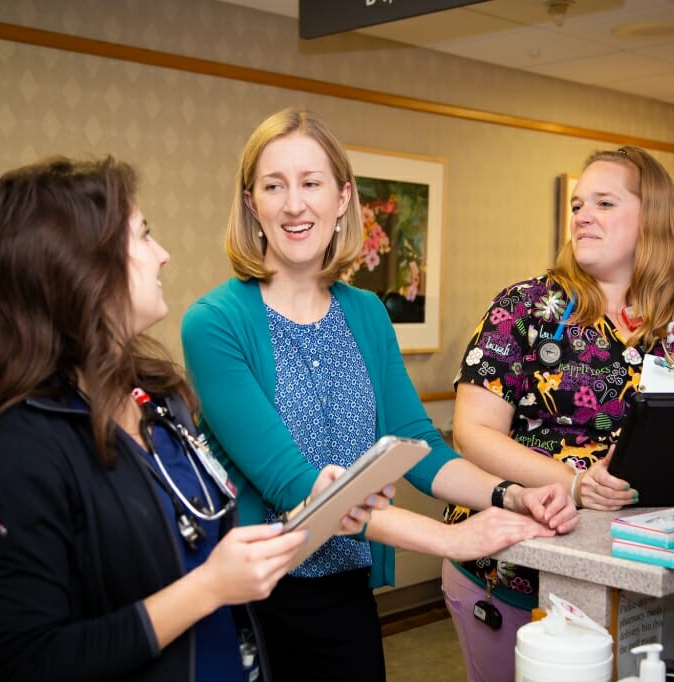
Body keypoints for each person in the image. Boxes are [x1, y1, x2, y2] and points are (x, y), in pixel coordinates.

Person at [0, 156, 388, 682]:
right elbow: (32, 660)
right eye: (144, 236)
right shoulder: (12, 452)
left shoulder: (158, 398)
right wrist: (210, 588)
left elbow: (195, 541)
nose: (163, 255)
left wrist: (316, 511)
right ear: (79, 267)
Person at [180, 108, 580, 682]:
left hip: (346, 593)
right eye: (275, 186)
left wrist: (508, 495)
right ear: (252, 204)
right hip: (255, 601)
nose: (295, 204)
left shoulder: (365, 311)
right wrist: (451, 538)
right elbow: (302, 490)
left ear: (343, 198)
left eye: (311, 183)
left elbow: (419, 446)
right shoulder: (215, 323)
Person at [444, 145, 674, 681]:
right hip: (519, 568)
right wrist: (574, 483)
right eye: (578, 204)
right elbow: (473, 433)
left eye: (604, 203)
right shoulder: (526, 307)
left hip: (667, 571)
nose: (582, 215)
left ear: (654, 217)